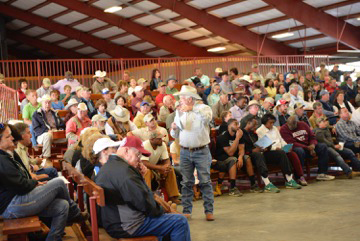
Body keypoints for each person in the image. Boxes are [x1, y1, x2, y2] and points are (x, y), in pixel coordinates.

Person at [0, 123, 87, 241]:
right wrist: (35, 183)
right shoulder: (2, 160)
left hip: (20, 197)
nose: (12, 138)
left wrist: (34, 183)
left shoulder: (9, 154)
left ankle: (54, 238)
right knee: (59, 183)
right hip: (11, 205)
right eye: (8, 136)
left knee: (62, 205)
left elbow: (23, 177)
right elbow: (20, 185)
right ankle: (75, 214)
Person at [95, 136, 190, 240]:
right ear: (126, 151)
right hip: (127, 225)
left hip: (113, 221)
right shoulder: (126, 173)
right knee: (180, 222)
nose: (140, 159)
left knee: (168, 221)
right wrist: (162, 210)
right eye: (138, 154)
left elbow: (140, 199)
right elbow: (145, 203)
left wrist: (139, 176)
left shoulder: (111, 166)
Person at [170, 85, 215, 221]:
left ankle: (209, 211)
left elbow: (207, 119)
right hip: (184, 151)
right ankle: (187, 210)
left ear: (190, 98)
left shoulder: (203, 108)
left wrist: (192, 109)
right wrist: (173, 129)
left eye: (183, 96)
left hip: (201, 150)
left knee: (205, 181)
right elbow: (175, 134)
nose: (180, 99)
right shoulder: (180, 112)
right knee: (186, 182)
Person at [241, 116, 301, 192]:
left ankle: (289, 180)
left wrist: (266, 147)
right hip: (251, 154)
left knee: (281, 153)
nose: (256, 127)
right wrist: (253, 151)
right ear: (248, 123)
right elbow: (242, 148)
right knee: (259, 155)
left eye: (256, 125)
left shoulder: (253, 134)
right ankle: (267, 183)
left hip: (261, 152)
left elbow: (260, 144)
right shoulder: (242, 133)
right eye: (254, 125)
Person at [257, 114, 307, 185]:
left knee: (292, 154)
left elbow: (281, 139)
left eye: (273, 123)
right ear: (265, 122)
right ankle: (289, 178)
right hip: (269, 152)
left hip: (280, 149)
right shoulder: (260, 131)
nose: (272, 124)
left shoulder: (274, 128)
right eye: (270, 123)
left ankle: (300, 176)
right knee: (281, 153)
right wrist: (275, 148)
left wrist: (286, 146)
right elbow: (263, 145)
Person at [280, 116, 335, 181]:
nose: (291, 127)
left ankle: (322, 173)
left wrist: (313, 145)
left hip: (309, 146)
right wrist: (307, 147)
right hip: (298, 148)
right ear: (287, 123)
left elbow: (312, 136)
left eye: (293, 125)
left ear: (297, 123)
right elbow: (291, 143)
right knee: (299, 151)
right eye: (290, 125)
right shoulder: (283, 129)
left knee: (323, 147)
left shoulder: (303, 124)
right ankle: (299, 177)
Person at [215, 119, 260, 196]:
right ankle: (232, 188)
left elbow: (241, 149)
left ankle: (253, 184)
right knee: (233, 159)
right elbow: (230, 153)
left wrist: (240, 157)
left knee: (247, 158)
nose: (238, 126)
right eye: (235, 124)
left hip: (235, 157)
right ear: (229, 126)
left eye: (238, 124)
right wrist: (237, 138)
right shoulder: (222, 137)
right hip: (223, 158)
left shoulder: (239, 134)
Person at [142, 131, 180, 203]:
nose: (162, 140)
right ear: (152, 139)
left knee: (170, 170)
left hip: (156, 167)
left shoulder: (162, 145)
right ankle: (148, 198)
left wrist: (167, 167)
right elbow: (144, 163)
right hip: (145, 168)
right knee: (147, 172)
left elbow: (166, 159)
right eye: (159, 139)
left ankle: (173, 196)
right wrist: (161, 168)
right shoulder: (145, 145)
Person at [32, 94, 66, 161]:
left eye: (49, 102)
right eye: (45, 102)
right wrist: (47, 131)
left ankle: (68, 159)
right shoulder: (37, 114)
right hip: (42, 136)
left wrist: (60, 130)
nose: (47, 104)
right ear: (41, 103)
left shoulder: (54, 113)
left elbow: (62, 125)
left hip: (56, 135)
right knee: (48, 135)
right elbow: (36, 129)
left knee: (69, 136)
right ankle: (46, 158)